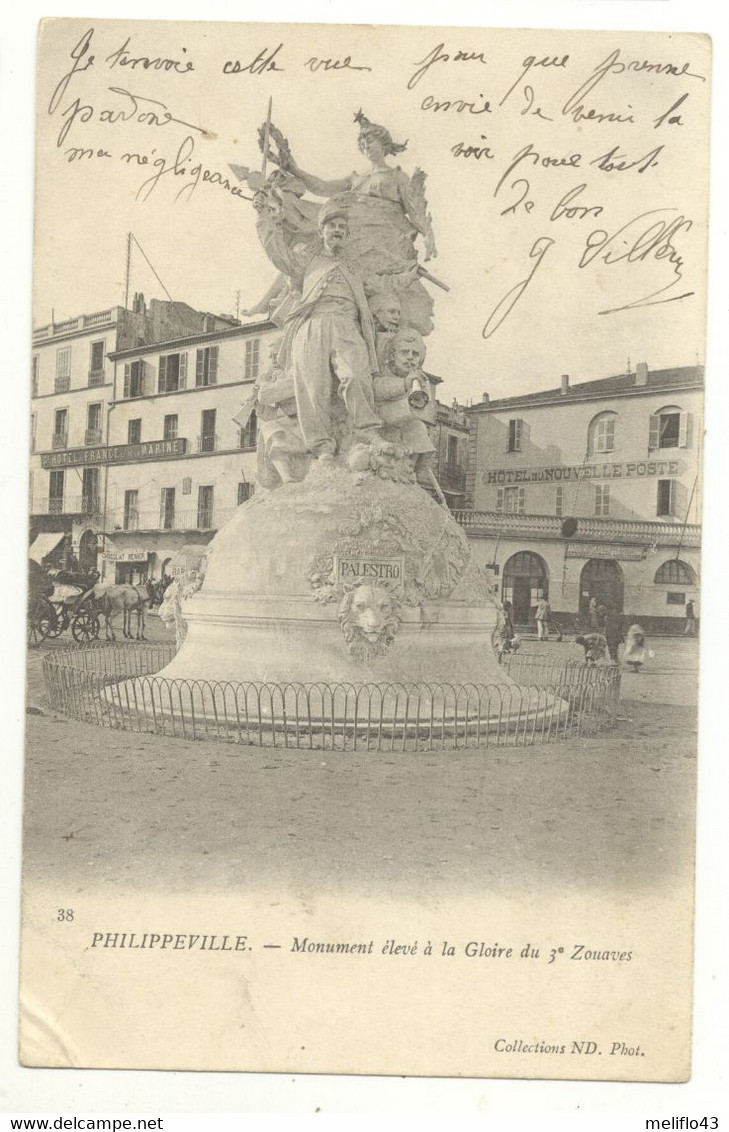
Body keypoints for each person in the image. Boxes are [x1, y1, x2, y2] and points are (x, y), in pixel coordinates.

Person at [262, 111, 437, 334]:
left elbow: (416, 211)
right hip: (355, 229)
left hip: (384, 236)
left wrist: (429, 237)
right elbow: (322, 187)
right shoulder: (356, 178)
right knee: (318, 236)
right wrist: (294, 168)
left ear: (384, 143)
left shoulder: (396, 176)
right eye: (362, 143)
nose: (365, 146)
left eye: (370, 141)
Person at [255, 197, 384, 461]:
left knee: (356, 376)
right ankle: (322, 446)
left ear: (347, 234)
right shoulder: (306, 258)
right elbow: (279, 254)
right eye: (332, 226)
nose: (337, 230)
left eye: (341, 227)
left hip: (346, 325)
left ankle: (368, 431)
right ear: (322, 230)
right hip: (312, 324)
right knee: (312, 386)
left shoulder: (354, 266)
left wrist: (408, 274)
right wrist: (264, 219)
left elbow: (381, 283)